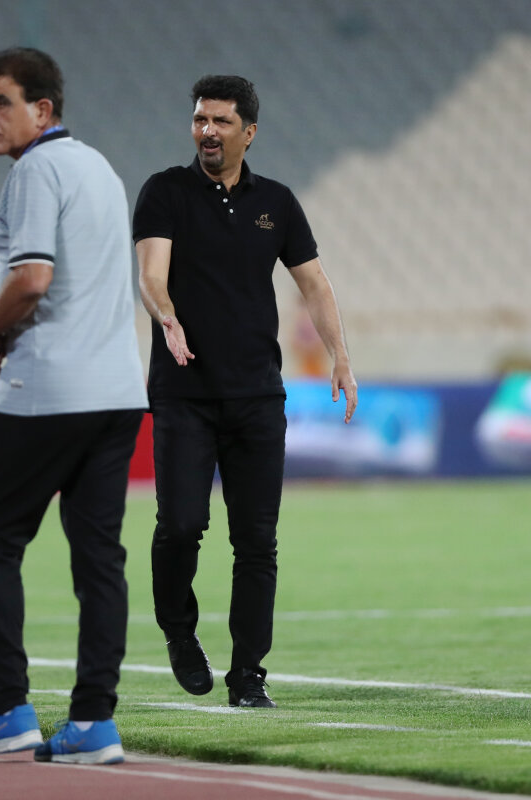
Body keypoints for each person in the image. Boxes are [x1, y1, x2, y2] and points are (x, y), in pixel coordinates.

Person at [0, 47, 147, 765]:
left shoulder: (35, 172)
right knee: (99, 560)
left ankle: (6, 708)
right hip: (117, 392)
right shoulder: (100, 169)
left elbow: (32, 279)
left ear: (43, 109)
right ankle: (94, 723)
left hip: (49, 392)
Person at [133, 75, 357, 709]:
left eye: (221, 121)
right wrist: (167, 317)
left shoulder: (277, 203)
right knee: (181, 525)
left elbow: (314, 284)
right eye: (199, 119)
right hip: (184, 393)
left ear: (249, 132)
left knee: (257, 542)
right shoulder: (165, 192)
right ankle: (179, 629)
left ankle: (248, 675)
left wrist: (341, 356)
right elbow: (151, 273)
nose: (207, 131)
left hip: (258, 397)